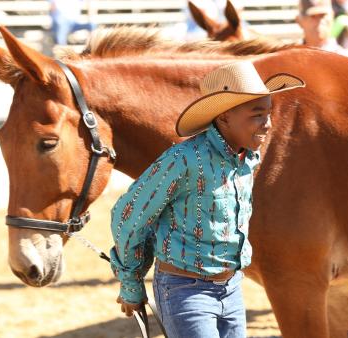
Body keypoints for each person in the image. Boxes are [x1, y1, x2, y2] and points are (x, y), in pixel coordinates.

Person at [109, 61, 304, 338]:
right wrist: (131, 282)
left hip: (232, 287)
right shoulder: (184, 160)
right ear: (224, 117)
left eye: (269, 113)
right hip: (184, 291)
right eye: (257, 115)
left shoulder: (246, 160)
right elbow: (128, 215)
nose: (268, 123)